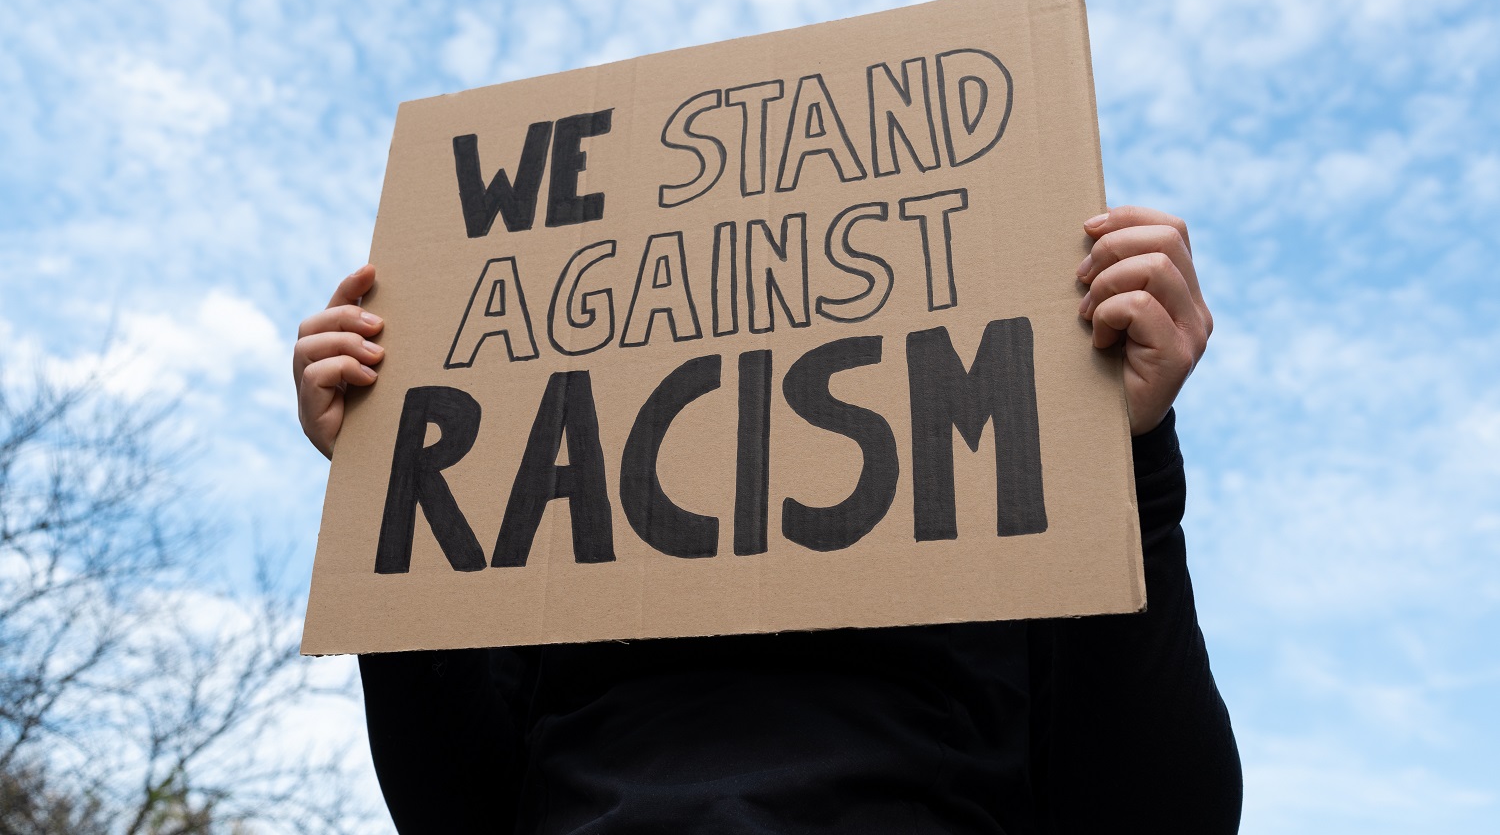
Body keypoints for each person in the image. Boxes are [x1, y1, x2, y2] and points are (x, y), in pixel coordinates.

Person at [293, 206, 1241, 834]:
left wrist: (1128, 457)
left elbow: (1168, 812)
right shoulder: (556, 552)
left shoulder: (1004, 526)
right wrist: (391, 481)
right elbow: (455, 810)